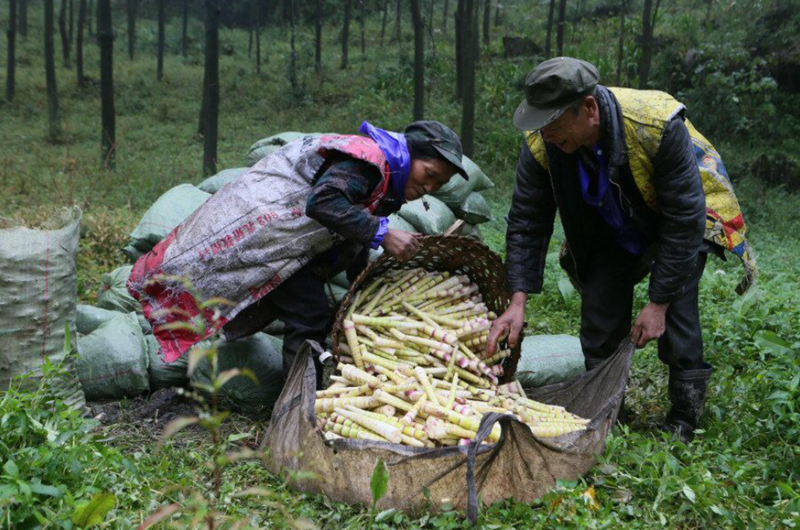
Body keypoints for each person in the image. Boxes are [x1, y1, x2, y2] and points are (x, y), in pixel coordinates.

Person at [487, 57, 756, 442]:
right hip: (611, 224)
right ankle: (609, 411)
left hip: (681, 219)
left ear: (589, 110)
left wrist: (658, 303)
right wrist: (517, 300)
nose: (546, 136)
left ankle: (684, 418)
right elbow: (527, 221)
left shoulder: (656, 125)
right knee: (599, 313)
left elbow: (684, 219)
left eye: (553, 125)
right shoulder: (542, 145)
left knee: (678, 316)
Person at [128, 120, 468, 387]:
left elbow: (354, 229)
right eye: (430, 175)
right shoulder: (368, 162)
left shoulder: (388, 181)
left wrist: (357, 285)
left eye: (438, 186)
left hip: (294, 247)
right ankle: (296, 404)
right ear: (411, 154)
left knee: (311, 309)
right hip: (269, 235)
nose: (429, 187)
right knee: (310, 315)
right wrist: (382, 233)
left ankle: (300, 389)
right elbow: (323, 202)